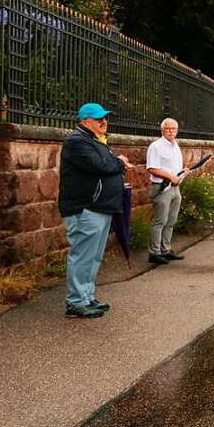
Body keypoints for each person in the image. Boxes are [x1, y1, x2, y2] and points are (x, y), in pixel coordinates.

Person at [57, 102, 132, 318]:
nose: (104, 121)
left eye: (105, 117)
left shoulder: (95, 140)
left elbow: (105, 162)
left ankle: (87, 296)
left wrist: (114, 160)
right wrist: (118, 161)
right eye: (99, 118)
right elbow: (101, 166)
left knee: (94, 256)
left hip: (99, 207)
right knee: (83, 256)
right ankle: (76, 302)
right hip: (85, 208)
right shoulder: (77, 141)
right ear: (84, 121)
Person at [145, 117, 187, 265]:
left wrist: (182, 173)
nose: (171, 131)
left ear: (177, 131)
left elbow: (174, 168)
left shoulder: (176, 145)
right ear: (162, 130)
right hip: (162, 187)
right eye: (168, 129)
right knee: (160, 221)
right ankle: (154, 253)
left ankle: (166, 250)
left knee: (171, 220)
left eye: (173, 129)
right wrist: (171, 177)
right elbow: (152, 168)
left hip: (175, 187)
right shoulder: (156, 146)